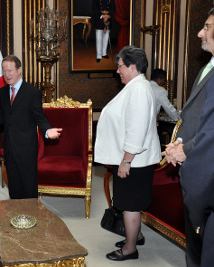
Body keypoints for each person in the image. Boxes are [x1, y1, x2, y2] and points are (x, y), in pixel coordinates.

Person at [94, 46, 161, 261]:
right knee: (128, 203)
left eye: (120, 66)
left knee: (130, 206)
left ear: (132, 66)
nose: (117, 71)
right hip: (134, 159)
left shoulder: (139, 89)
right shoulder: (136, 86)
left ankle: (130, 249)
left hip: (135, 161)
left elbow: (137, 128)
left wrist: (126, 160)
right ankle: (136, 236)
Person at [0, 55, 62, 199]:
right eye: (4, 71)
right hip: (10, 148)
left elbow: (39, 117)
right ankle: (17, 217)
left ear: (19, 70)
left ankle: (31, 217)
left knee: (28, 187)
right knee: (14, 188)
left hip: (27, 148)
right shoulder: (3, 92)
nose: (7, 75)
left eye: (10, 71)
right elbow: (1, 117)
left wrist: (47, 130)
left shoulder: (32, 92)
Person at [163, 8, 214, 266]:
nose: (199, 33)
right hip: (197, 164)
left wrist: (186, 149)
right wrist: (180, 141)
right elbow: (196, 114)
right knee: (196, 245)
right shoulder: (208, 66)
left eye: (206, 27)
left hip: (207, 170)